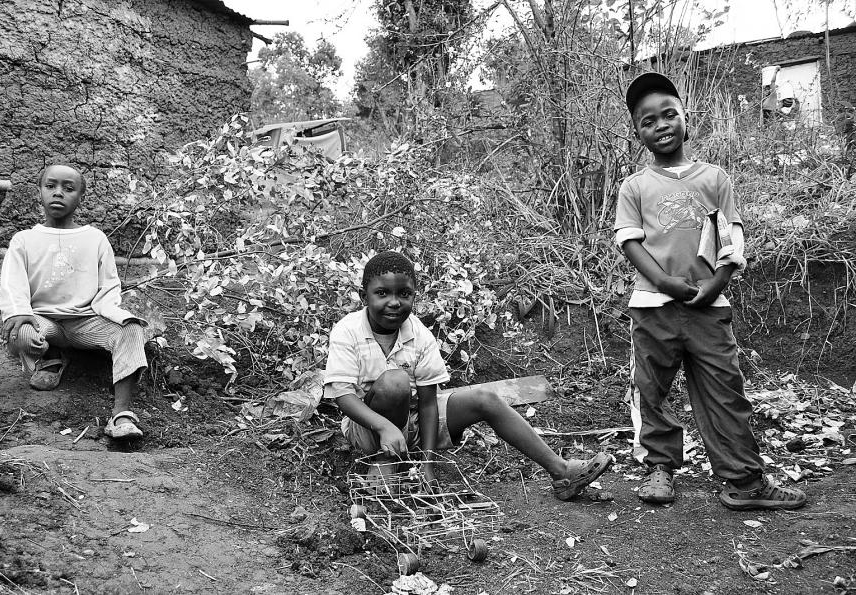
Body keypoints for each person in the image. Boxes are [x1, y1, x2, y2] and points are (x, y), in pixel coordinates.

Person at [614, 72, 807, 510]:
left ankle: (744, 481)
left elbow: (730, 240)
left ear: (686, 118)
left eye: (669, 114)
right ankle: (659, 468)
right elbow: (630, 242)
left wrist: (717, 282)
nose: (661, 125)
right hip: (653, 308)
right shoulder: (635, 187)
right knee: (651, 391)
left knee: (725, 390)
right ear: (638, 132)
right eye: (648, 121)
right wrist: (664, 281)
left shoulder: (714, 178)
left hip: (709, 306)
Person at [323, 251, 612, 500]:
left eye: (404, 294)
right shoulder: (348, 331)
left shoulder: (419, 335)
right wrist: (385, 428)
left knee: (486, 399)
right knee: (395, 381)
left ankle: (562, 472)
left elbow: (428, 403)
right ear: (363, 296)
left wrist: (428, 464)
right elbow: (343, 396)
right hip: (368, 430)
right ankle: (385, 460)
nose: (394, 302)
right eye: (382, 293)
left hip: (412, 424)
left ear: (414, 296)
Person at [0, 164, 148, 439]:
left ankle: (122, 414)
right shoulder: (24, 240)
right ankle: (50, 357)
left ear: (81, 197)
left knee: (131, 329)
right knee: (21, 333)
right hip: (43, 321)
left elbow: (109, 285)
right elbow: (12, 282)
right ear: (40, 192)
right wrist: (18, 311)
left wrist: (114, 315)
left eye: (68, 188)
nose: (58, 193)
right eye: (50, 186)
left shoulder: (95, 239)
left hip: (86, 322)